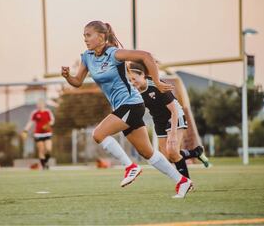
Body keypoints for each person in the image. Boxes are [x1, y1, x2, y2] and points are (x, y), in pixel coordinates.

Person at [61, 20, 192, 198]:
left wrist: (158, 81)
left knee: (98, 134)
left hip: (132, 103)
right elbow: (77, 82)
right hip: (123, 107)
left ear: (101, 37)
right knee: (147, 153)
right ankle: (182, 181)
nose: (85, 39)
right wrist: (68, 76)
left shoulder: (114, 53)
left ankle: (130, 166)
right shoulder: (87, 57)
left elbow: (145, 56)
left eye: (88, 35)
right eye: (84, 35)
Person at [128, 61, 210, 180]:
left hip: (174, 116)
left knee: (173, 152)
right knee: (168, 156)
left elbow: (174, 111)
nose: (132, 82)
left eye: (134, 79)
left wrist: (172, 134)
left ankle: (186, 183)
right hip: (159, 120)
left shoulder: (157, 85)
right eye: (130, 80)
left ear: (143, 75)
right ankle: (195, 153)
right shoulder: (135, 92)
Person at [22, 99, 55, 170]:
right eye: (38, 104)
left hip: (47, 133)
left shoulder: (48, 112)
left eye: (41, 104)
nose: (39, 105)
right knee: (41, 150)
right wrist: (25, 130)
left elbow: (52, 121)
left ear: (44, 105)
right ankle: (44, 166)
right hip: (38, 134)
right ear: (37, 105)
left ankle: (45, 161)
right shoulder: (35, 113)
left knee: (48, 149)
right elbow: (30, 122)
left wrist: (48, 125)